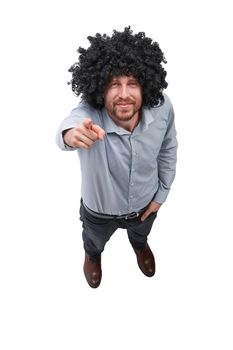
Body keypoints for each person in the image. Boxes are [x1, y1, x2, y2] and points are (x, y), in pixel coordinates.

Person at [56, 27, 178, 288]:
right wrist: (71, 134)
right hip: (98, 212)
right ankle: (92, 255)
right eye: (114, 84)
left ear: (146, 84)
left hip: (146, 205)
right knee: (93, 240)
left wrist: (161, 196)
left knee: (141, 234)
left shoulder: (163, 107)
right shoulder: (90, 113)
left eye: (132, 83)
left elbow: (168, 149)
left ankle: (140, 246)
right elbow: (71, 125)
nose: (124, 94)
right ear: (100, 88)